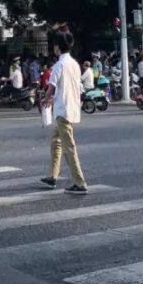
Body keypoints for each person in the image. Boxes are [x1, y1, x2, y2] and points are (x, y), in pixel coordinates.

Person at [40, 28, 87, 195]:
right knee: (56, 142)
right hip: (70, 108)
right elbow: (74, 87)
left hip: (62, 111)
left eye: (54, 45)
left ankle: (80, 183)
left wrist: (46, 99)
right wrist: (52, 98)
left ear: (58, 47)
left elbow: (51, 87)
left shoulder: (59, 65)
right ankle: (52, 176)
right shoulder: (74, 64)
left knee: (69, 147)